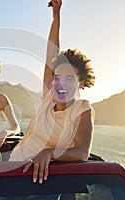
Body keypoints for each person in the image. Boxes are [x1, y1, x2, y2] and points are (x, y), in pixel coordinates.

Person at [9, 0, 96, 184]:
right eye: (57, 77)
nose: (61, 84)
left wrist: (49, 153)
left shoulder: (82, 109)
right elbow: (51, 56)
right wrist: (56, 17)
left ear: (81, 83)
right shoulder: (49, 97)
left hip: (43, 182)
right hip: (14, 170)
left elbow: (82, 152)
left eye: (70, 79)